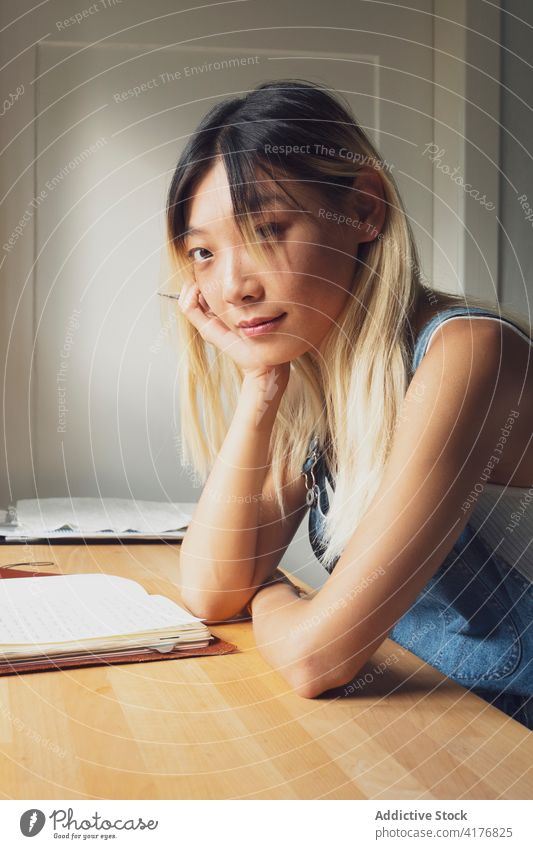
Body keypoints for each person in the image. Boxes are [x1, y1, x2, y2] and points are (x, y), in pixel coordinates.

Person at [164, 78, 533, 729]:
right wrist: (260, 385)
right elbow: (208, 587)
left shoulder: (467, 353)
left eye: (267, 229)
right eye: (203, 252)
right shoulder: (329, 382)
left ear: (363, 209)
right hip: (455, 719)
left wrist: (270, 592)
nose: (232, 286)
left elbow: (316, 657)